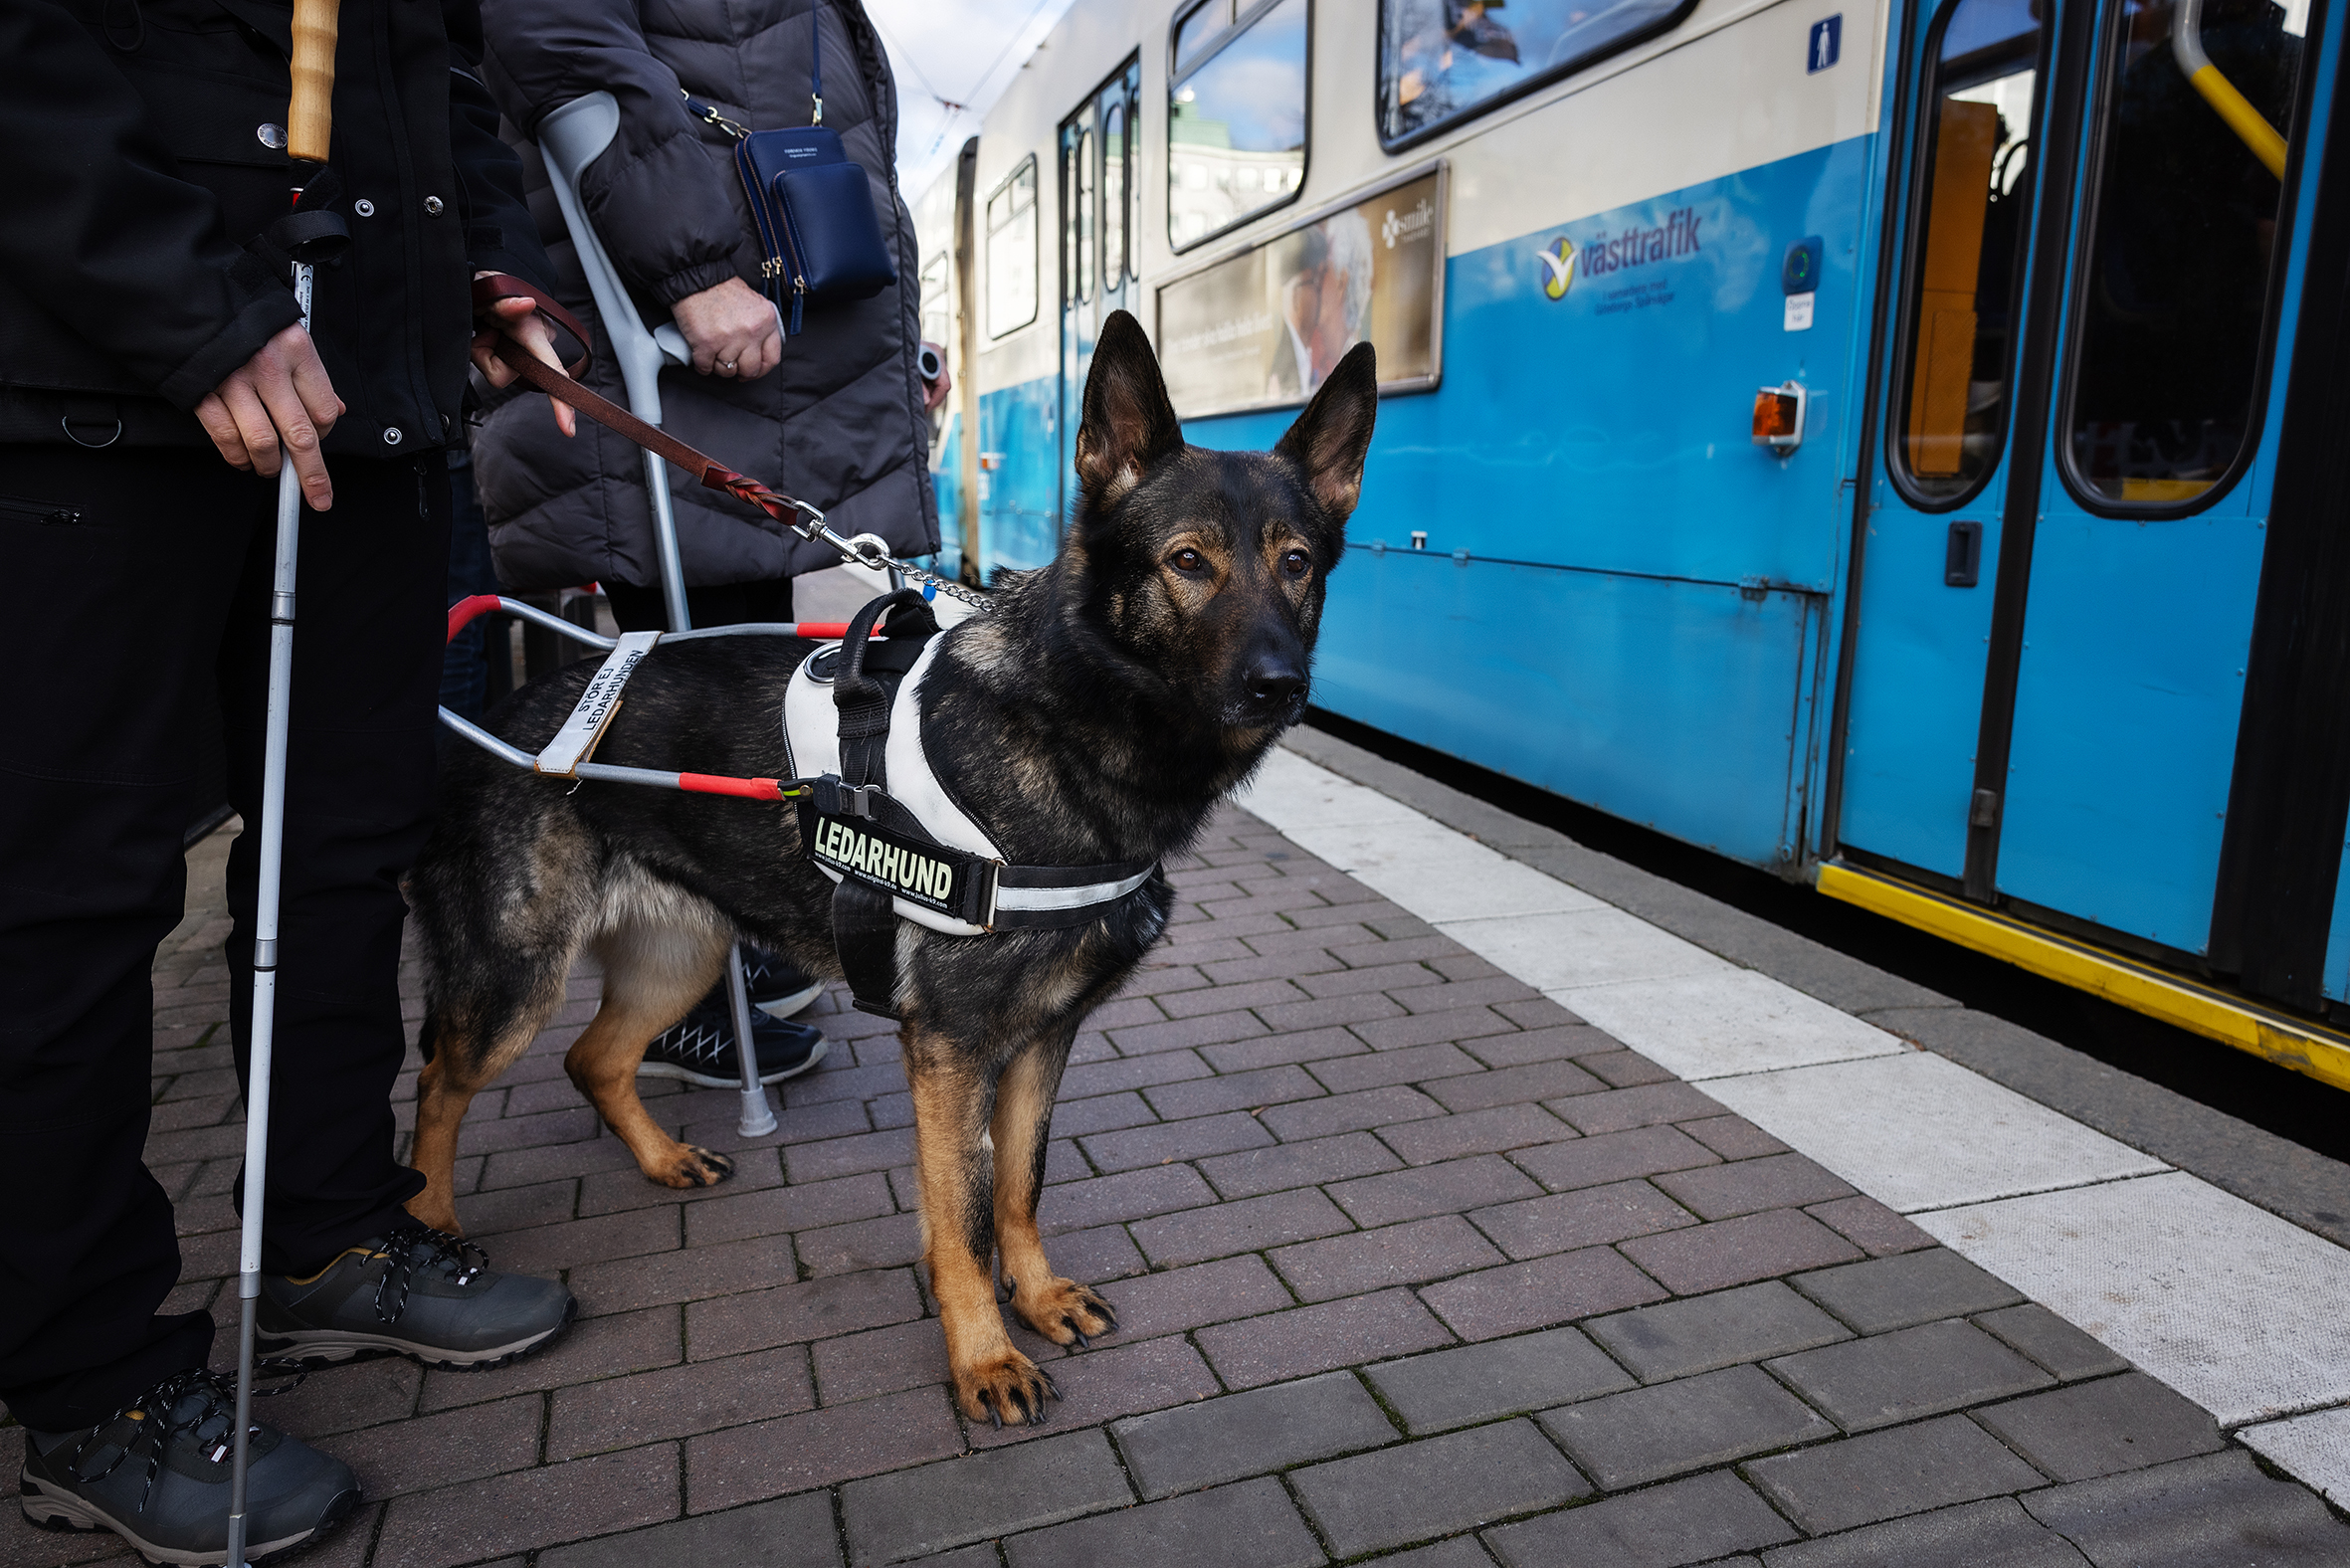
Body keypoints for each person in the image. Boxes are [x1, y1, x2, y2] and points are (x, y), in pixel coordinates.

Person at [0, 1, 578, 1558]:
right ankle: (86, 1371)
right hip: (102, 399)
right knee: (73, 893)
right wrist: (189, 303)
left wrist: (472, 271)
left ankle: (327, 1230)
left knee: (348, 843)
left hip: (364, 408)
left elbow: (431, 82)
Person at [473, 0, 942, 1083]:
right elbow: (559, 42)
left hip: (766, 336)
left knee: (742, 672)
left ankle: (731, 957)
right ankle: (681, 983)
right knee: (693, 685)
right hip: (686, 325)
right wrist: (688, 270)